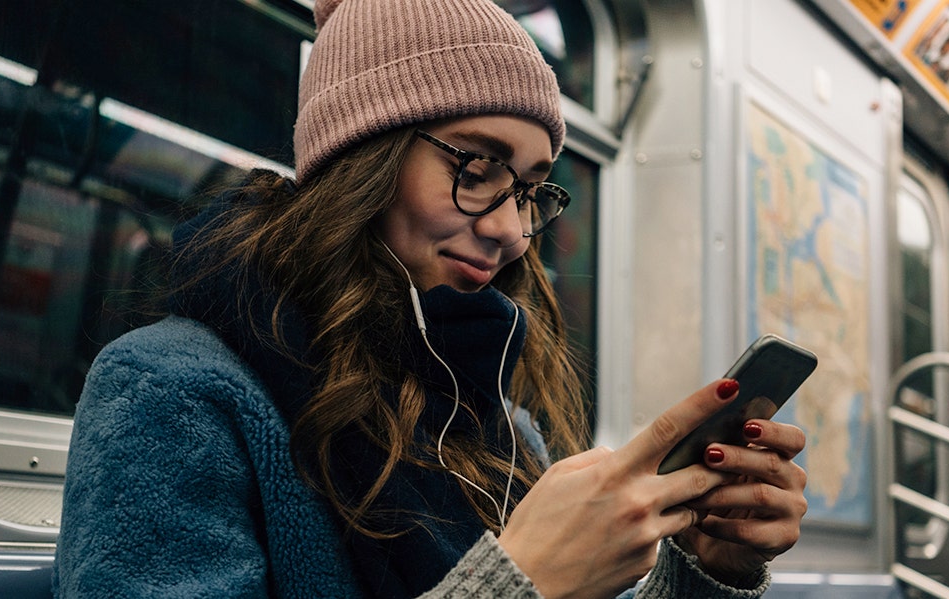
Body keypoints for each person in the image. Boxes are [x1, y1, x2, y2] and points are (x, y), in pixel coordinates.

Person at [53, 0, 808, 597]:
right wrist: (519, 585)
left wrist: (709, 568)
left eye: (532, 189)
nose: (513, 231)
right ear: (363, 161)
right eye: (476, 166)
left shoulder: (501, 430)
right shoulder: (173, 393)